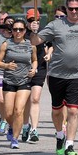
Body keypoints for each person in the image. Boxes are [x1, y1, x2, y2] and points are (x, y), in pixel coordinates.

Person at [30, 0, 78, 155]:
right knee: (57, 111)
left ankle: (69, 145)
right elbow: (35, 41)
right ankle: (60, 135)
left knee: (73, 111)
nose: (74, 11)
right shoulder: (56, 25)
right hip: (56, 74)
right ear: (66, 9)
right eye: (71, 8)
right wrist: (33, 30)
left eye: (77, 8)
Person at [0, 19, 38, 149]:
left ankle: (15, 138)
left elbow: (35, 60)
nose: (18, 32)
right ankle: (12, 126)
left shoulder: (31, 45)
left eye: (21, 29)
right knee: (8, 113)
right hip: (9, 81)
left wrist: (33, 69)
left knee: (18, 110)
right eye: (15, 29)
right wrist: (6, 65)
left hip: (24, 81)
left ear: (25, 31)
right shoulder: (6, 44)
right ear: (12, 31)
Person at [22, 9, 50, 143]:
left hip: (40, 67)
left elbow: (51, 45)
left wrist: (49, 53)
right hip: (24, 69)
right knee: (25, 101)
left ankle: (34, 129)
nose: (34, 23)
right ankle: (25, 125)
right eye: (31, 20)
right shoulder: (20, 32)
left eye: (36, 21)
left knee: (35, 98)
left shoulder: (44, 32)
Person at [44, 5, 68, 135]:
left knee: (68, 100)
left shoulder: (71, 28)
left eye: (62, 16)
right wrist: (48, 53)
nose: (59, 19)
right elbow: (49, 45)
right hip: (54, 69)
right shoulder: (51, 28)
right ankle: (61, 124)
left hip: (70, 69)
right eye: (56, 16)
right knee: (58, 99)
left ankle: (64, 124)